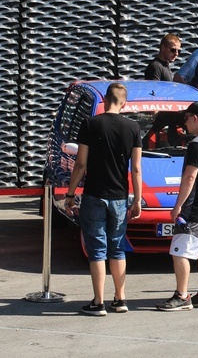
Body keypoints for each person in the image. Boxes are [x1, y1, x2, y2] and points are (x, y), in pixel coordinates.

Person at [64, 83, 142, 316]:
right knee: (117, 248)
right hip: (119, 196)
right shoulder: (133, 127)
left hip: (94, 194)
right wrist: (137, 199)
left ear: (105, 100)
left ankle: (98, 302)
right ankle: (120, 298)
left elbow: (80, 164)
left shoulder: (90, 124)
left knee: (97, 249)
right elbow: (136, 168)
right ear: (124, 103)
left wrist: (70, 194)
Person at [156, 102, 198, 311]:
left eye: (185, 118)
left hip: (195, 206)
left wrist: (178, 206)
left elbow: (190, 176)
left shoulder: (197, 144)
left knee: (180, 251)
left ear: (194, 118)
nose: (184, 123)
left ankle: (182, 295)